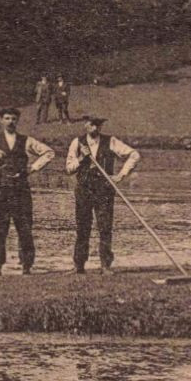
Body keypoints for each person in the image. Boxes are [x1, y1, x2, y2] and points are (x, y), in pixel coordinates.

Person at [0, 107, 55, 276]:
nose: (10, 121)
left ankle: (27, 265)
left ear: (17, 121)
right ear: (1, 121)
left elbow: (49, 153)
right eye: (7, 118)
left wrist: (32, 168)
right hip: (0, 190)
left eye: (13, 118)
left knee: (24, 228)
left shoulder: (26, 140)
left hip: (20, 190)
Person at [64, 115, 140, 273]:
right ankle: (78, 266)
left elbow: (134, 155)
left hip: (104, 189)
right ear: (85, 125)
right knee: (82, 227)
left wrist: (121, 175)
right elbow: (69, 169)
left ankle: (105, 265)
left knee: (105, 227)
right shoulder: (77, 143)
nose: (95, 128)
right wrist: (81, 157)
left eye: (98, 125)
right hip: (84, 189)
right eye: (92, 124)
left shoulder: (111, 141)